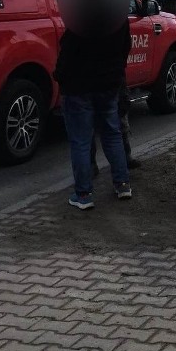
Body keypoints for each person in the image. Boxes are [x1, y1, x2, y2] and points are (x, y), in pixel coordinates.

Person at [54, 14, 133, 210]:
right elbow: (125, 48)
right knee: (112, 134)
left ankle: (83, 194)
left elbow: (67, 55)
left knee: (81, 140)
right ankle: (122, 184)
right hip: (108, 85)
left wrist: (58, 76)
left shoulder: (80, 20)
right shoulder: (118, 18)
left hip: (79, 88)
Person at [91, 78, 139, 174]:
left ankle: (90, 166)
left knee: (86, 133)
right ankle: (121, 174)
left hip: (91, 84)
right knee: (115, 131)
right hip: (110, 82)